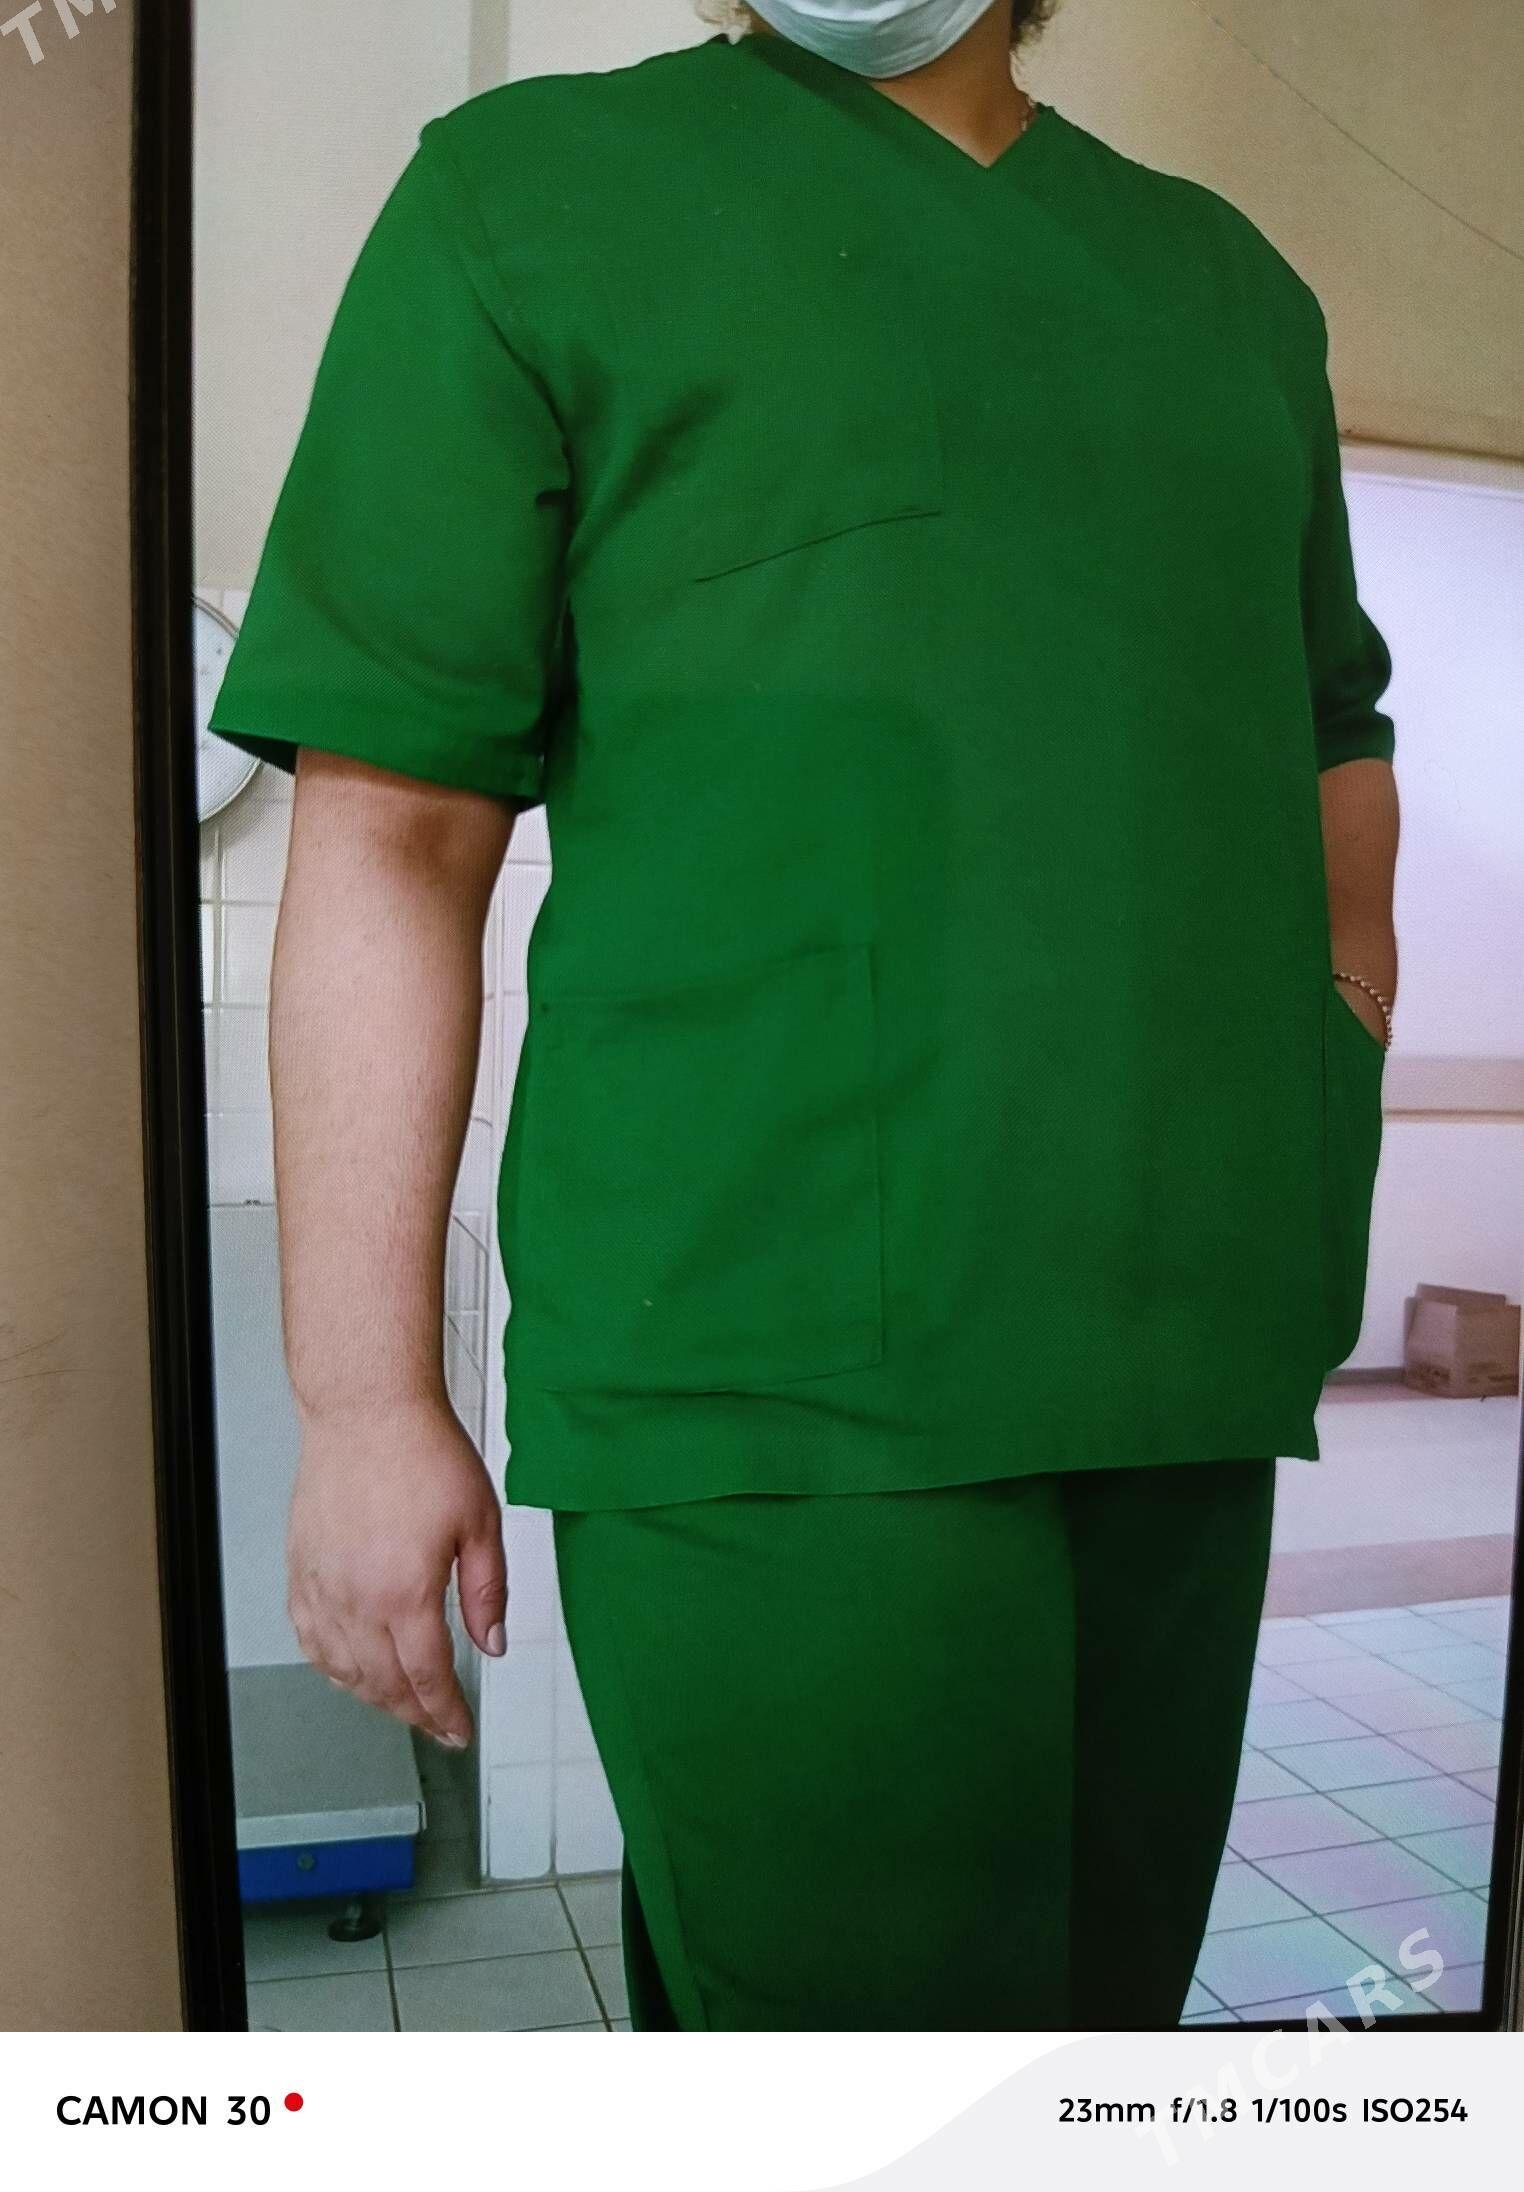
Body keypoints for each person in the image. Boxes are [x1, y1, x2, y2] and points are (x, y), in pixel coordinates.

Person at [210, 0, 1400, 2031]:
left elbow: (1326, 736)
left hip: (1187, 1362)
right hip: (765, 1378)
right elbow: (392, 835)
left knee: (1103, 2054)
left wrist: (1336, 1036)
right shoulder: (531, 202)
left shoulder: (1232, 295)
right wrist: (363, 1402)